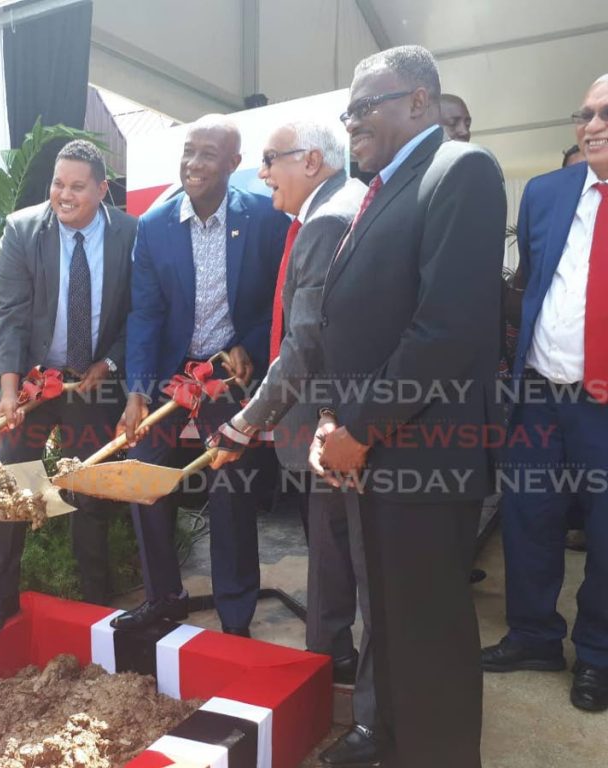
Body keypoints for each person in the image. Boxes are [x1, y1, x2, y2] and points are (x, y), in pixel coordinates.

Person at [312, 46, 506, 767]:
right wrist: (337, 421)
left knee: (429, 636)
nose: (352, 122)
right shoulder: (384, 185)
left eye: (365, 106)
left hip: (422, 452)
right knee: (387, 622)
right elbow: (363, 325)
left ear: (420, 101)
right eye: (350, 111)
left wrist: (359, 429)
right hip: (374, 449)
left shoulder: (461, 171)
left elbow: (445, 328)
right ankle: (391, 741)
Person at [208, 120, 379, 765]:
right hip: (324, 422)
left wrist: (247, 420)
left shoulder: (329, 219)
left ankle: (363, 710)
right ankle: (329, 658)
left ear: (311, 159)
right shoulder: (324, 211)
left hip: (335, 423)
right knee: (331, 549)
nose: (262, 175)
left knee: (353, 561)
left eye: (270, 161)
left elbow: (305, 346)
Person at [111, 115, 288, 636]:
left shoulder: (265, 219)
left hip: (228, 376)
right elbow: (144, 313)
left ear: (234, 164)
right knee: (145, 474)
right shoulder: (155, 225)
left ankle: (236, 613)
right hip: (171, 371)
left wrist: (249, 348)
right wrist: (138, 391)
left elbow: (278, 302)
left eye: (208, 154)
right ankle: (163, 597)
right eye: (189, 152)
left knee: (231, 484)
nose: (194, 164)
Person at [0, 140, 138, 637]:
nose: (64, 196)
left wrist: (109, 363)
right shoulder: (23, 230)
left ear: (103, 189)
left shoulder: (130, 234)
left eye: (77, 187)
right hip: (32, 381)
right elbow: (12, 316)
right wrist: (8, 390)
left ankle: (95, 603)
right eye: (57, 184)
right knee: (12, 483)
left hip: (93, 381)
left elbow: (141, 313)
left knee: (89, 490)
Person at [481, 74, 608, 713]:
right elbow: (530, 284)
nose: (591, 126)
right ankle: (533, 635)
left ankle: (598, 654)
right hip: (537, 391)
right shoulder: (546, 192)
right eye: (583, 114)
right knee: (529, 517)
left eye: (606, 114)